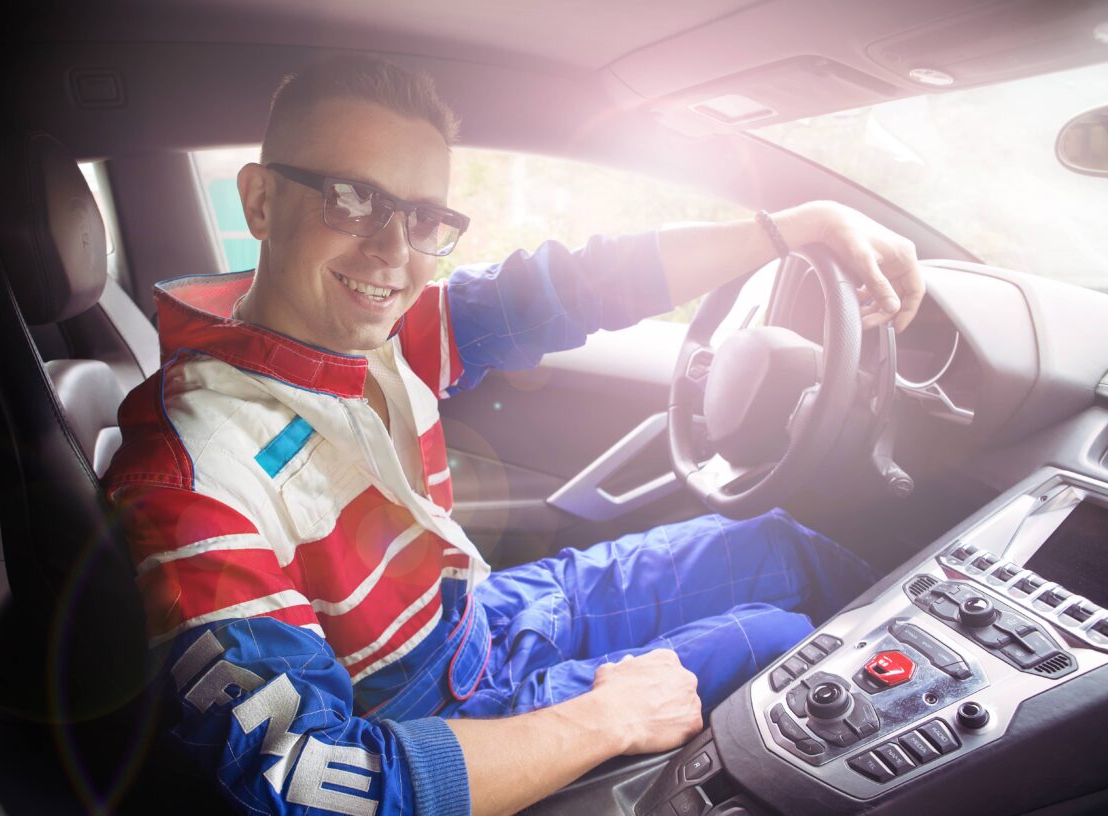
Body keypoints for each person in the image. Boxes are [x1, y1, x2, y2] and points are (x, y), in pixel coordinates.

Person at [104, 55, 923, 816]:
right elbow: (316, 786)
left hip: (484, 616)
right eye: (350, 199)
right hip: (432, 716)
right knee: (777, 642)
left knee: (778, 547)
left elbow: (565, 289)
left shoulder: (374, 331)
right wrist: (606, 719)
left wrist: (794, 230)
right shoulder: (188, 484)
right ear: (259, 201)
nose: (393, 252)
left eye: (424, 217)